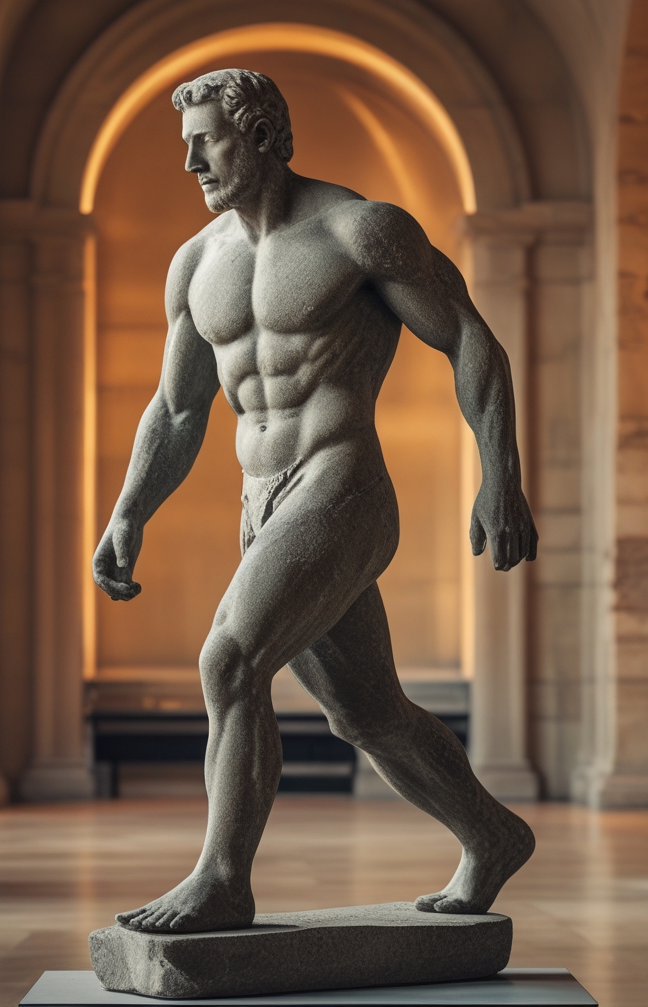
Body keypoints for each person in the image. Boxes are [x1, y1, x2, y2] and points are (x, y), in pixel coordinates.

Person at [93, 69, 537, 934]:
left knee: (229, 662)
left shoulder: (360, 231)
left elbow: (470, 338)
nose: (190, 163)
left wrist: (501, 475)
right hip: (261, 501)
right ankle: (492, 835)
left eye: (205, 141)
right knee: (368, 714)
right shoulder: (197, 262)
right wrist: (129, 510)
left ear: (259, 134)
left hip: (342, 487)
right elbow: (179, 408)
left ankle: (223, 879)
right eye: (184, 146)